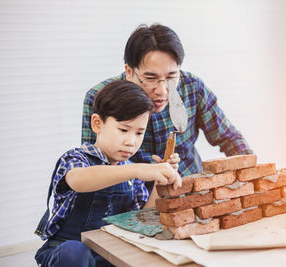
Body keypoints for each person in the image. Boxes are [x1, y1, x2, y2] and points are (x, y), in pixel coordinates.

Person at [81, 23, 253, 194]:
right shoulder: (101, 98)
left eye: (172, 76)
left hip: (190, 189)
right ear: (129, 71)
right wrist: (142, 170)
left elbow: (229, 138)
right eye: (150, 78)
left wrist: (253, 177)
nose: (162, 91)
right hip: (130, 199)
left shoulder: (192, 87)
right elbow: (92, 168)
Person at [35, 80, 182, 267]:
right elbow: (79, 180)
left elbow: (140, 220)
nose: (131, 141)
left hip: (110, 254)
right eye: (123, 130)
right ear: (97, 124)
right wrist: (137, 169)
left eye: (139, 133)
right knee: (73, 253)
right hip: (68, 253)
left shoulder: (131, 174)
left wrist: (159, 186)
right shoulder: (76, 158)